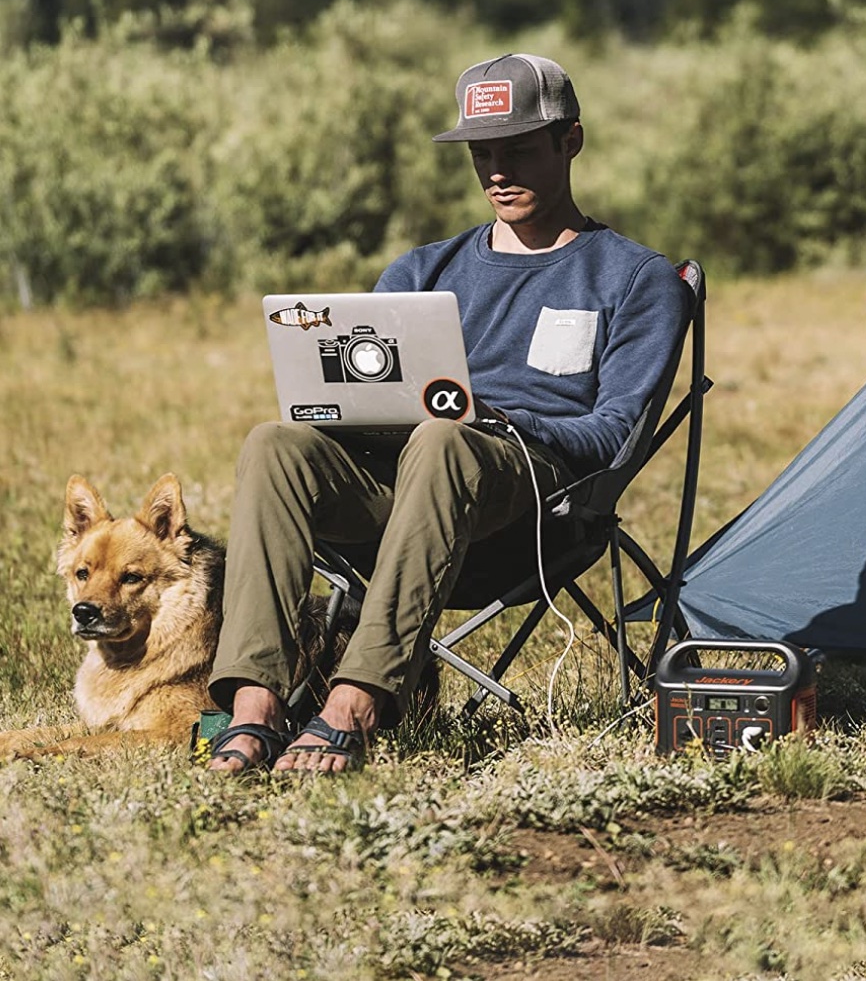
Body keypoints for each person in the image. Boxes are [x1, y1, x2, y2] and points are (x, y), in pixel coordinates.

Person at [206, 53, 692, 773]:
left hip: (532, 509)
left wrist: (494, 420)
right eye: (482, 153)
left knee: (444, 439)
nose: (497, 170)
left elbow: (616, 433)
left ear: (571, 142)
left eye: (519, 149)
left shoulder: (633, 278)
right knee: (276, 442)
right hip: (404, 498)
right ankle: (255, 707)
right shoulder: (419, 272)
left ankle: (355, 702)